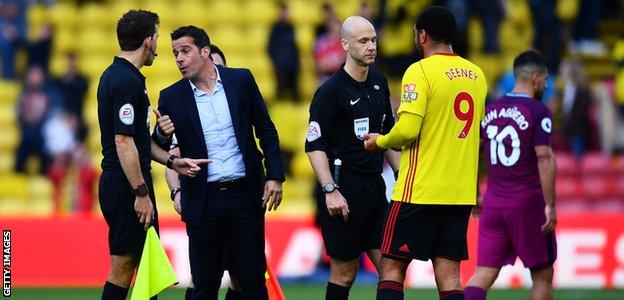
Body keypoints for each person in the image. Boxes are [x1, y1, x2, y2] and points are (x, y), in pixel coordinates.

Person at [152, 25, 285, 299]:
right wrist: (160, 132)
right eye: (175, 53)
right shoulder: (171, 97)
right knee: (204, 286)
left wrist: (275, 176)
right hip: (204, 201)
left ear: (205, 51)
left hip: (244, 197)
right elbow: (162, 147)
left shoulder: (241, 81)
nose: (179, 58)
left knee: (252, 283)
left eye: (185, 51)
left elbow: (266, 129)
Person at [364, 6, 487, 300]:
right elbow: (477, 138)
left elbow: (407, 130)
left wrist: (380, 141)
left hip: (419, 190)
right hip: (459, 193)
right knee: (450, 276)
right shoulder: (477, 75)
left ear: (422, 36)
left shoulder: (419, 71)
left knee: (392, 267)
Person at [97, 11, 208, 300]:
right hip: (126, 185)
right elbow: (123, 143)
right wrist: (140, 192)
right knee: (124, 266)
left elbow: (139, 141)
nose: (158, 46)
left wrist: (172, 161)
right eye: (157, 38)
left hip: (126, 182)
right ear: (148, 41)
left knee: (147, 266)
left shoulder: (121, 76)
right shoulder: (126, 81)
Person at [305, 16, 400, 300]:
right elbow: (314, 145)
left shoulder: (379, 83)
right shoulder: (330, 92)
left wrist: (402, 175)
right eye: (363, 41)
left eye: (373, 40)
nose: (371, 46)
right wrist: (330, 191)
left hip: (374, 188)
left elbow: (388, 137)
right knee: (345, 272)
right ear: (345, 44)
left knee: (391, 269)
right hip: (343, 190)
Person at [464, 50, 557, 300]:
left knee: (482, 274)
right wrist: (550, 205)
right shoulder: (538, 112)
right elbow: (545, 157)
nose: (547, 85)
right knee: (542, 274)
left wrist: (475, 193)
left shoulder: (491, 110)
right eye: (546, 79)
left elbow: (473, 154)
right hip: (528, 204)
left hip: (493, 204)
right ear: (536, 78)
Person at [162, 45, 242, 300]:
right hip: (205, 204)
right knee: (204, 278)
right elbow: (173, 161)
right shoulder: (183, 109)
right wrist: (176, 193)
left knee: (242, 275)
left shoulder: (237, 102)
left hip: (238, 201)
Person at [268, 2, 300, 101]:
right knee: (280, 90)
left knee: (294, 90)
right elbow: (271, 47)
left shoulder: (291, 27)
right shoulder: (275, 28)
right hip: (280, 65)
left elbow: (294, 46)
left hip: (292, 64)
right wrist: (277, 61)